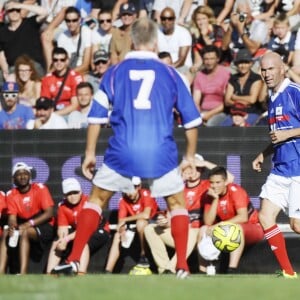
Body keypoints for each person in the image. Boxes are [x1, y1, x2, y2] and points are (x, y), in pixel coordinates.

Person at [51, 17, 202, 279]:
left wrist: (89, 153)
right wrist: (189, 155)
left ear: (131, 40)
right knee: (177, 204)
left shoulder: (114, 72)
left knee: (97, 200)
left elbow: (96, 117)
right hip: (160, 151)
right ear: (155, 42)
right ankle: (182, 267)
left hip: (123, 149)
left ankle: (74, 260)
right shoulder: (171, 73)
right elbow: (192, 121)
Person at [252, 51, 300, 279]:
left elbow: (286, 133)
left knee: (297, 225)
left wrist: (288, 133)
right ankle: (289, 273)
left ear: (282, 69)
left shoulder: (294, 93)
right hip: (281, 168)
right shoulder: (272, 97)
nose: (267, 73)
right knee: (265, 216)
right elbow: (278, 136)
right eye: (263, 69)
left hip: (299, 169)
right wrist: (264, 153)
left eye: (271, 68)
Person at [144, 154, 234, 274]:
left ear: (201, 170)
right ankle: (163, 268)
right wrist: (165, 222)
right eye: (188, 167)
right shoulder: (177, 188)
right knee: (149, 228)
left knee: (190, 231)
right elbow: (171, 214)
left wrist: (205, 163)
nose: (192, 171)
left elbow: (230, 178)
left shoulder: (208, 185)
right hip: (178, 232)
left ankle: (171, 268)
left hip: (197, 233)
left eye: (196, 167)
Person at [199, 166, 264, 274]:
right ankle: (202, 271)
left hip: (252, 227)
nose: (214, 186)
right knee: (203, 229)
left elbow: (243, 217)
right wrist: (215, 199)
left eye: (218, 182)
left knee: (236, 228)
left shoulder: (236, 191)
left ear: (225, 182)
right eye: (212, 183)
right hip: (225, 229)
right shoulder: (209, 195)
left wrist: (220, 224)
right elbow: (208, 222)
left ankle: (232, 269)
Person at [0, 162, 55, 274]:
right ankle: (1, 272)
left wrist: (28, 224)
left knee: (24, 232)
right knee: (6, 232)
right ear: (14, 179)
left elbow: (49, 213)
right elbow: (12, 217)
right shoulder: (11, 194)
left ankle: (23, 273)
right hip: (25, 226)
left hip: (44, 225)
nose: (22, 176)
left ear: (30, 176)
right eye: (18, 174)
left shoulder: (40, 188)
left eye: (25, 173)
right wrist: (12, 226)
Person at [47, 178, 110, 275]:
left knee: (82, 240)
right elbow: (62, 229)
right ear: (64, 195)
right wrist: (61, 240)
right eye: (69, 194)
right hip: (77, 232)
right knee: (56, 242)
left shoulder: (89, 203)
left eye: (75, 192)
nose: (72, 196)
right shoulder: (63, 207)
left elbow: (88, 228)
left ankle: (81, 273)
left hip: (99, 230)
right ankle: (49, 273)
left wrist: (67, 239)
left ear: (81, 192)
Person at [104, 177, 158, 274]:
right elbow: (120, 221)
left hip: (153, 224)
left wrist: (125, 220)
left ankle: (143, 255)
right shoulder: (123, 201)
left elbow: (146, 215)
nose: (129, 193)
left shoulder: (146, 194)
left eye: (132, 189)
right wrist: (122, 230)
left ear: (139, 187)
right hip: (134, 227)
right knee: (117, 236)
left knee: (140, 223)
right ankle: (108, 271)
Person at [0, 0, 47, 83]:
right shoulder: (2, 31)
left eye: (17, 10)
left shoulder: (30, 23)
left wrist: (21, 6)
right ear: (6, 13)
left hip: (33, 66)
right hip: (14, 68)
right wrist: (5, 70)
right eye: (11, 10)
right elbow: (1, 54)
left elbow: (45, 13)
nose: (14, 12)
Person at [221, 48, 264, 126]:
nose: (243, 65)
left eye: (246, 62)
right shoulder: (233, 78)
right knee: (223, 127)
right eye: (240, 63)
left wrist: (234, 97)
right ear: (236, 64)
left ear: (251, 64)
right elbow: (227, 101)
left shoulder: (256, 78)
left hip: (251, 112)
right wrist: (243, 103)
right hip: (234, 114)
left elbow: (252, 100)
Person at [192, 45, 231, 126]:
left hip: (220, 112)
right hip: (203, 111)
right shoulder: (199, 75)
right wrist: (199, 114)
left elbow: (226, 102)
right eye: (206, 59)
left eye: (212, 59)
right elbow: (196, 101)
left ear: (217, 59)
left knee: (211, 124)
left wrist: (209, 114)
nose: (209, 62)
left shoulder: (226, 74)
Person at [41, 47, 83, 118]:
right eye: (55, 60)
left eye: (62, 60)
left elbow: (75, 105)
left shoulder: (75, 77)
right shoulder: (47, 79)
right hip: (53, 112)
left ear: (67, 61)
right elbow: (45, 103)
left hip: (70, 114)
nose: (58, 62)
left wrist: (54, 115)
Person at [56, 6, 92, 75]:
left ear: (79, 20)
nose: (71, 23)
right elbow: (60, 61)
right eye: (68, 21)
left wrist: (67, 75)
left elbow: (86, 65)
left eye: (74, 20)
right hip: (66, 71)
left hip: (81, 72)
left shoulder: (86, 32)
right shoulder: (62, 37)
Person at [189, 5, 225, 73]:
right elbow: (198, 59)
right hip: (206, 65)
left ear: (209, 19)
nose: (201, 22)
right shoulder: (195, 35)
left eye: (204, 18)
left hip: (222, 63)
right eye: (198, 19)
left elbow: (216, 53)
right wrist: (195, 67)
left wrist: (204, 36)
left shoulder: (218, 30)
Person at [157, 7, 192, 72]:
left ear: (174, 19)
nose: (166, 21)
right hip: (162, 68)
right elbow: (155, 54)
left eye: (170, 19)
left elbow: (182, 60)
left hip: (182, 68)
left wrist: (168, 69)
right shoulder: (156, 32)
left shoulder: (183, 33)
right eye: (163, 19)